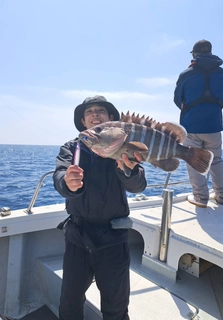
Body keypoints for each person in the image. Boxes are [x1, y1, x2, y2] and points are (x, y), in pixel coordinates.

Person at [53, 95, 147, 320]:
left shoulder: (125, 147)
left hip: (113, 238)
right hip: (77, 235)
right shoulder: (71, 147)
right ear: (84, 122)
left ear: (111, 119)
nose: (95, 114)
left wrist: (129, 170)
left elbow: (138, 185)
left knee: (116, 307)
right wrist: (67, 181)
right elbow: (59, 175)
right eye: (89, 112)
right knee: (69, 302)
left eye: (101, 111)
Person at [174, 40, 223, 208]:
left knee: (193, 160)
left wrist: (190, 111)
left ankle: (200, 198)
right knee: (216, 160)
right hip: (213, 126)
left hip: (191, 127)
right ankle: (222, 197)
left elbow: (177, 99)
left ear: (194, 54)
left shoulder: (186, 74)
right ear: (210, 52)